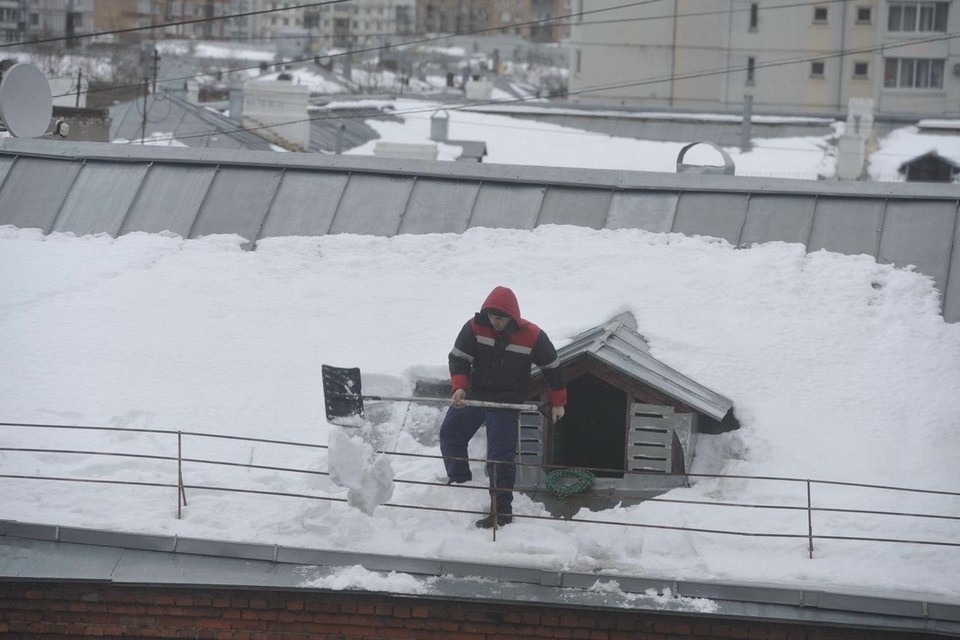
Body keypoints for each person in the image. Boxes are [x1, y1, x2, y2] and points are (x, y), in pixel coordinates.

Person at [439, 286, 566, 529]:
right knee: (450, 433)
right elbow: (459, 358)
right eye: (491, 316)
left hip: (507, 401)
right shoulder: (474, 327)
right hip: (475, 395)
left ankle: (502, 512)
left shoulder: (532, 336)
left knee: (500, 457)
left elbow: (553, 368)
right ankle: (460, 483)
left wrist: (558, 401)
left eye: (499, 318)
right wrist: (459, 387)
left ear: (512, 317)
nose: (494, 321)